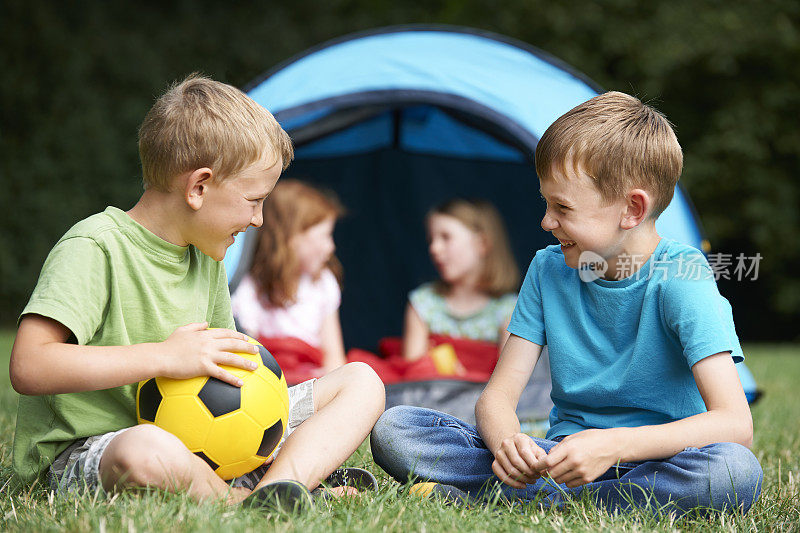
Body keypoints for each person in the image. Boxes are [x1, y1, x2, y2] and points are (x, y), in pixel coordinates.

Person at [370, 91, 763, 515]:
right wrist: (509, 446)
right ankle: (544, 495)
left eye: (562, 207)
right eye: (546, 203)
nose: (546, 221)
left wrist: (612, 447)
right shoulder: (547, 270)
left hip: (660, 462)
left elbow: (735, 424)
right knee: (397, 428)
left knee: (734, 471)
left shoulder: (682, 279)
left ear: (632, 208)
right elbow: (497, 397)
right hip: (557, 461)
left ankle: (535, 502)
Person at [9, 75, 385, 511]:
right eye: (253, 200)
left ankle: (279, 489)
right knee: (144, 449)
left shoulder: (206, 258)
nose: (260, 220)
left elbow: (226, 374)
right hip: (97, 451)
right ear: (198, 187)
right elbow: (29, 365)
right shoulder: (96, 248)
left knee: (362, 381)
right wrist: (166, 356)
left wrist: (268, 408)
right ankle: (238, 498)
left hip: (193, 437)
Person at [231, 179, 347, 382]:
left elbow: (334, 357)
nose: (331, 247)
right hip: (275, 380)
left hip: (316, 381)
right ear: (290, 238)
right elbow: (249, 355)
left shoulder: (322, 283)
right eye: (325, 236)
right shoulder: (251, 289)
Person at [402, 198, 519, 367]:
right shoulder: (423, 303)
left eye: (446, 237)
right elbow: (413, 374)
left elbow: (509, 377)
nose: (434, 249)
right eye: (431, 240)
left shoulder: (509, 310)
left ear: (482, 244)